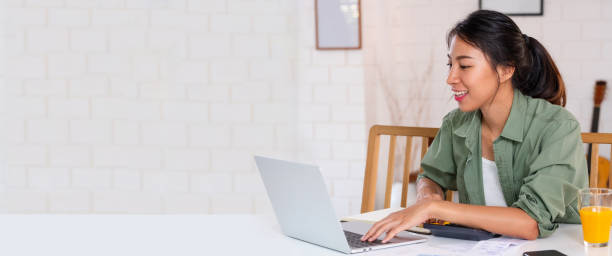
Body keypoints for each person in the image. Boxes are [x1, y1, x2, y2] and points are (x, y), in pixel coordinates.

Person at [361, 9, 588, 242]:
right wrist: (427, 197)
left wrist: (436, 209)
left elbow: (530, 223)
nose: (450, 78)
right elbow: (431, 176)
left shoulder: (558, 126)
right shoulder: (455, 123)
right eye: (450, 64)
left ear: (506, 69)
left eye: (465, 66)